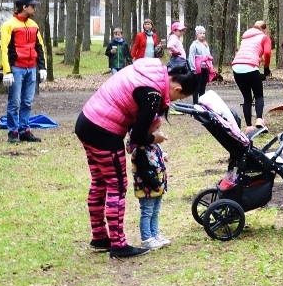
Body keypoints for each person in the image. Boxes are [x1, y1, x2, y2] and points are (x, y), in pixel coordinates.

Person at [75, 57, 199, 258]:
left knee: (99, 182)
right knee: (117, 186)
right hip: (104, 132)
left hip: (87, 122)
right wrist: (155, 138)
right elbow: (138, 136)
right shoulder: (153, 94)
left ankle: (99, 237)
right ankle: (118, 244)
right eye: (179, 98)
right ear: (177, 90)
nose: (174, 101)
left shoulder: (152, 72)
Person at [0, 0, 47, 144]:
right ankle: (13, 132)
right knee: (14, 102)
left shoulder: (34, 25)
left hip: (31, 68)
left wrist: (42, 67)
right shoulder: (9, 25)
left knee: (27, 101)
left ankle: (24, 130)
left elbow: (39, 47)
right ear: (24, 7)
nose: (35, 8)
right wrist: (7, 71)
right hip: (16, 68)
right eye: (32, 6)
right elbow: (4, 49)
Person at [130, 115, 170, 250]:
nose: (159, 132)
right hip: (148, 187)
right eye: (156, 129)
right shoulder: (140, 149)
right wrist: (154, 184)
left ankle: (155, 234)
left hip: (158, 186)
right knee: (147, 212)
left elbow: (156, 155)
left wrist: (163, 154)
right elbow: (142, 170)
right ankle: (147, 238)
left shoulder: (153, 145)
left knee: (155, 211)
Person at [232, 20, 273, 132]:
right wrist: (266, 69)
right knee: (259, 95)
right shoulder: (264, 38)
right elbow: (268, 53)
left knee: (247, 98)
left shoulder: (245, 37)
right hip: (250, 66)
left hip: (236, 67)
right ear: (264, 29)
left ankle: (249, 127)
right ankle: (259, 119)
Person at [187, 26, 213, 105]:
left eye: (203, 33)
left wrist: (210, 67)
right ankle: (195, 104)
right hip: (198, 69)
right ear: (197, 34)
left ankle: (202, 104)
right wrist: (193, 69)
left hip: (205, 68)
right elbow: (191, 57)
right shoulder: (194, 45)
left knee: (203, 87)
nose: (202, 35)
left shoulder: (205, 45)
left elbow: (208, 56)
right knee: (196, 88)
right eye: (200, 33)